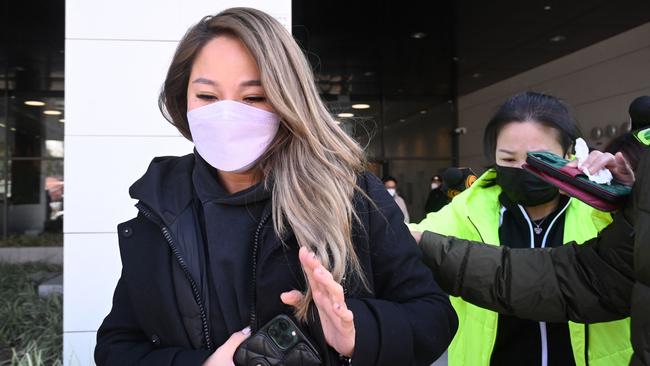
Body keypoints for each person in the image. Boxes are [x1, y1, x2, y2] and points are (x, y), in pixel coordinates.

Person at [94, 8, 457, 366]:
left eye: (253, 97)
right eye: (207, 97)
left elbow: (433, 316)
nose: (227, 115)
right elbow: (117, 346)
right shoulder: (160, 208)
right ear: (181, 99)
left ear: (288, 100)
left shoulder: (352, 196)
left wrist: (357, 334)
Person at [408, 91, 633, 366]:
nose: (524, 168)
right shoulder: (468, 211)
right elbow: (408, 239)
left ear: (570, 153)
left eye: (539, 159)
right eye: (509, 159)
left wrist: (629, 197)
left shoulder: (604, 210)